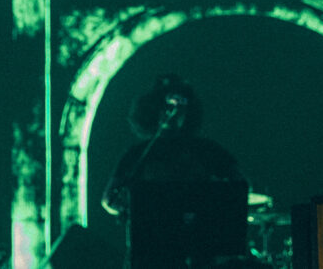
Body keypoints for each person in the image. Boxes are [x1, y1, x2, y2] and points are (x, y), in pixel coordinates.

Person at [102, 74, 247, 267]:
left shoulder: (208, 151)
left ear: (189, 110)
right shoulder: (138, 154)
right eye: (168, 103)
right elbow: (109, 198)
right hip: (150, 254)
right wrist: (133, 209)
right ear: (153, 108)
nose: (174, 109)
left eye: (181, 103)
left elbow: (240, 187)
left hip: (197, 253)